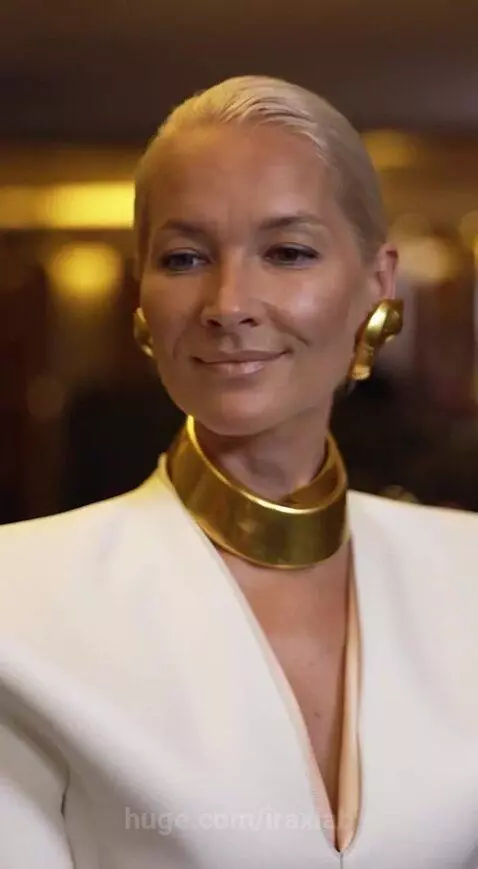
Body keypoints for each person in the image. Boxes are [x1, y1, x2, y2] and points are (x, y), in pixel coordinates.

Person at [0, 76, 477, 869]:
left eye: (287, 252)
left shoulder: (467, 568)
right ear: (144, 296)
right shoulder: (17, 596)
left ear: (377, 282)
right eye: (185, 257)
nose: (228, 303)